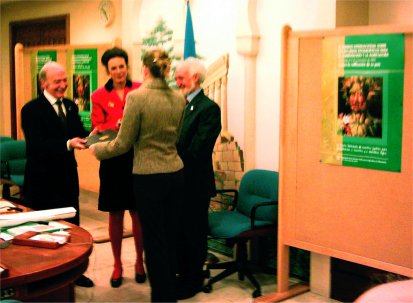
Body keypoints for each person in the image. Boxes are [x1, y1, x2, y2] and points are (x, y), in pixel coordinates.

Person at [90, 49, 186, 302]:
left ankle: (161, 298)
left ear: (143, 69)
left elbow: (123, 144)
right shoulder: (179, 98)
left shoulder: (136, 97)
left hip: (147, 176)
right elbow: (176, 137)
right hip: (175, 174)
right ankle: (169, 295)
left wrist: (96, 150)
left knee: (154, 242)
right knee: (169, 237)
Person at [21, 61, 94, 288]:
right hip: (42, 180)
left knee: (71, 226)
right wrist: (67, 144)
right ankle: (42, 275)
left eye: (65, 81)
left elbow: (78, 134)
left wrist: (96, 134)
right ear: (44, 83)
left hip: (67, 178)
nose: (63, 85)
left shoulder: (71, 106)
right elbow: (37, 145)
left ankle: (73, 271)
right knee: (44, 229)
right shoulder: (31, 110)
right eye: (57, 82)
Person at [90, 47, 146, 288]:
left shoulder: (141, 89)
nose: (119, 71)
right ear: (108, 71)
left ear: (127, 66)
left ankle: (139, 262)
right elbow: (98, 125)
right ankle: (116, 264)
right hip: (113, 161)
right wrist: (118, 123)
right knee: (115, 214)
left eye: (122, 66)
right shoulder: (98, 95)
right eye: (114, 68)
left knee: (138, 213)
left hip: (138, 159)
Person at [174, 57, 222, 300]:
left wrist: (168, 154)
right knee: (179, 233)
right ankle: (181, 274)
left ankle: (193, 280)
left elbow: (197, 150)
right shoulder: (178, 104)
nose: (176, 81)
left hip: (194, 185)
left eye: (181, 77)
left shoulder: (208, 109)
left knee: (193, 234)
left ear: (195, 78)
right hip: (176, 183)